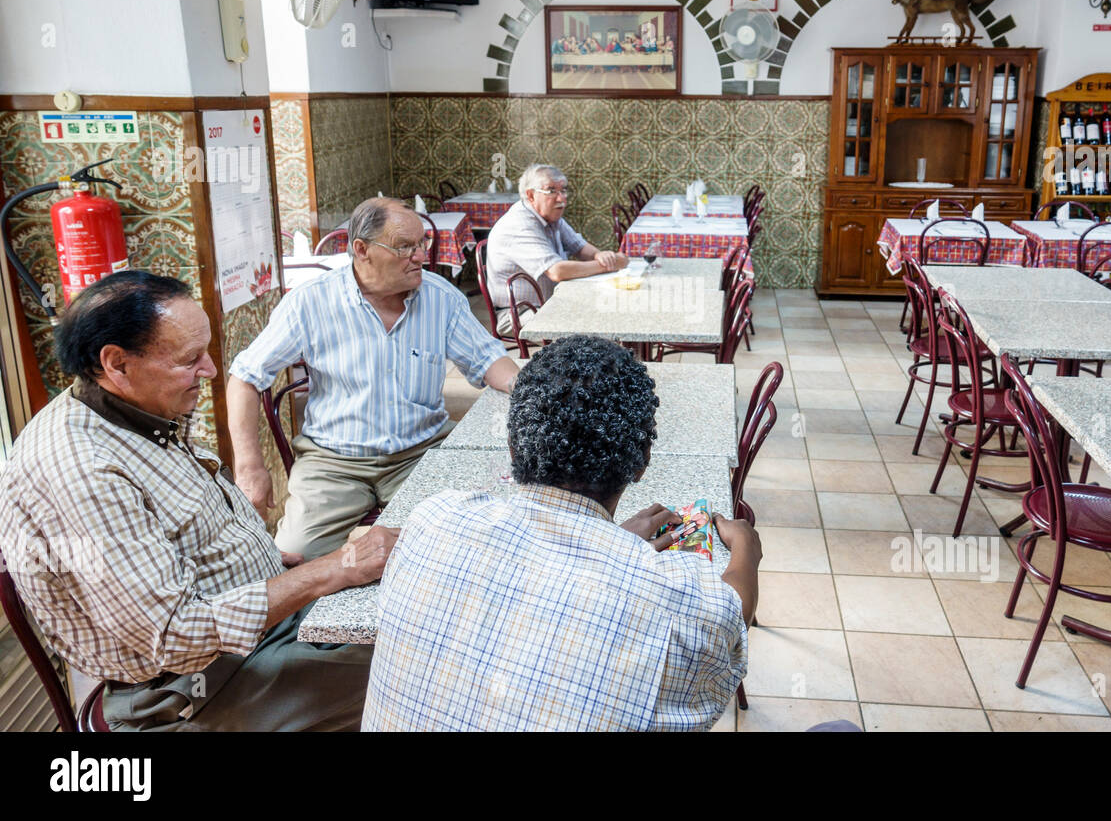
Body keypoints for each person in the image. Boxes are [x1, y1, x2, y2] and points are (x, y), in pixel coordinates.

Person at [0, 271, 399, 730]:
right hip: (189, 690)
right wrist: (332, 568)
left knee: (421, 617)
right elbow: (174, 635)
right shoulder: (80, 470)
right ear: (117, 364)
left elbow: (184, 530)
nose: (208, 370)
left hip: (249, 643)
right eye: (190, 359)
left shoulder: (137, 410)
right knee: (426, 673)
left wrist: (266, 560)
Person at [363, 335, 761, 731]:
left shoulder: (434, 518)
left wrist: (609, 544)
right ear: (642, 463)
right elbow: (729, 616)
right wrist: (745, 548)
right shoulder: (677, 598)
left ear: (512, 447)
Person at [228, 197, 518, 560]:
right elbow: (245, 377)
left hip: (419, 453)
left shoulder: (440, 297)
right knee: (293, 559)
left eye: (422, 244)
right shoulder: (311, 302)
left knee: (471, 544)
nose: (419, 256)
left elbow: (489, 359)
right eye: (404, 247)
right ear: (361, 250)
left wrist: (525, 388)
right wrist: (249, 466)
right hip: (334, 462)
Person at [484, 164, 628, 336]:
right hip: (520, 313)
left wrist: (600, 255)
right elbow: (557, 272)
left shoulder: (550, 216)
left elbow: (579, 246)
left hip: (552, 301)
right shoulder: (520, 224)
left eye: (563, 190)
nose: (562, 199)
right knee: (592, 326)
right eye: (551, 191)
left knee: (613, 308)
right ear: (531, 195)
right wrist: (608, 265)